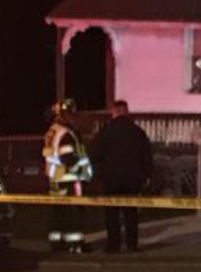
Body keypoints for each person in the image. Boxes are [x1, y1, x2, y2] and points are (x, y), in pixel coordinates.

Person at [88, 100, 153, 253]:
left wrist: (99, 172)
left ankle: (113, 245)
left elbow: (93, 153)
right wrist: (146, 175)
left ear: (114, 112)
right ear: (127, 112)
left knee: (112, 212)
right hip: (132, 179)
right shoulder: (138, 132)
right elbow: (147, 155)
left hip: (111, 178)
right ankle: (132, 245)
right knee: (131, 212)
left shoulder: (105, 132)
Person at [41, 98, 92, 253]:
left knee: (58, 211)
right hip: (69, 178)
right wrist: (81, 172)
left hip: (55, 179)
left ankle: (57, 242)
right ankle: (75, 244)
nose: (74, 117)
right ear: (63, 114)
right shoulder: (66, 134)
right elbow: (68, 158)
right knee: (73, 212)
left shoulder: (52, 131)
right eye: (71, 114)